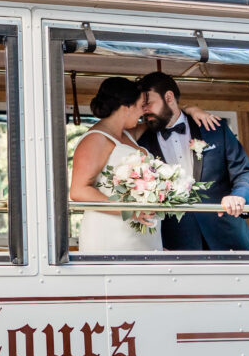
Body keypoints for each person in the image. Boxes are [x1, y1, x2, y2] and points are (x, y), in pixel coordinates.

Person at [71, 77, 220, 254]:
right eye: (141, 105)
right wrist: (131, 210)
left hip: (143, 234)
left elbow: (165, 118)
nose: (144, 112)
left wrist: (190, 109)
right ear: (126, 107)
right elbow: (78, 191)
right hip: (111, 234)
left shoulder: (128, 133)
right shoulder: (95, 139)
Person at [136, 71, 249, 251]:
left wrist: (240, 196)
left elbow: (245, 172)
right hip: (175, 245)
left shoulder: (214, 129)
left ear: (169, 97)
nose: (144, 110)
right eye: (141, 105)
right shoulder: (142, 144)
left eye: (148, 103)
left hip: (228, 237)